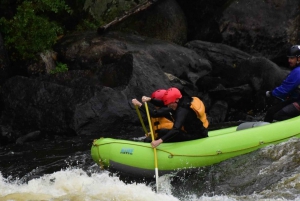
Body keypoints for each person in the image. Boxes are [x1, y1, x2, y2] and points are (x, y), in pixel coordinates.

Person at [264, 45, 300, 122]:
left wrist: (271, 93)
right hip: (296, 99)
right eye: (289, 58)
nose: (289, 60)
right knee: (271, 111)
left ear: (299, 58)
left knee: (279, 115)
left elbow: (284, 90)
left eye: (292, 58)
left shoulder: (298, 71)